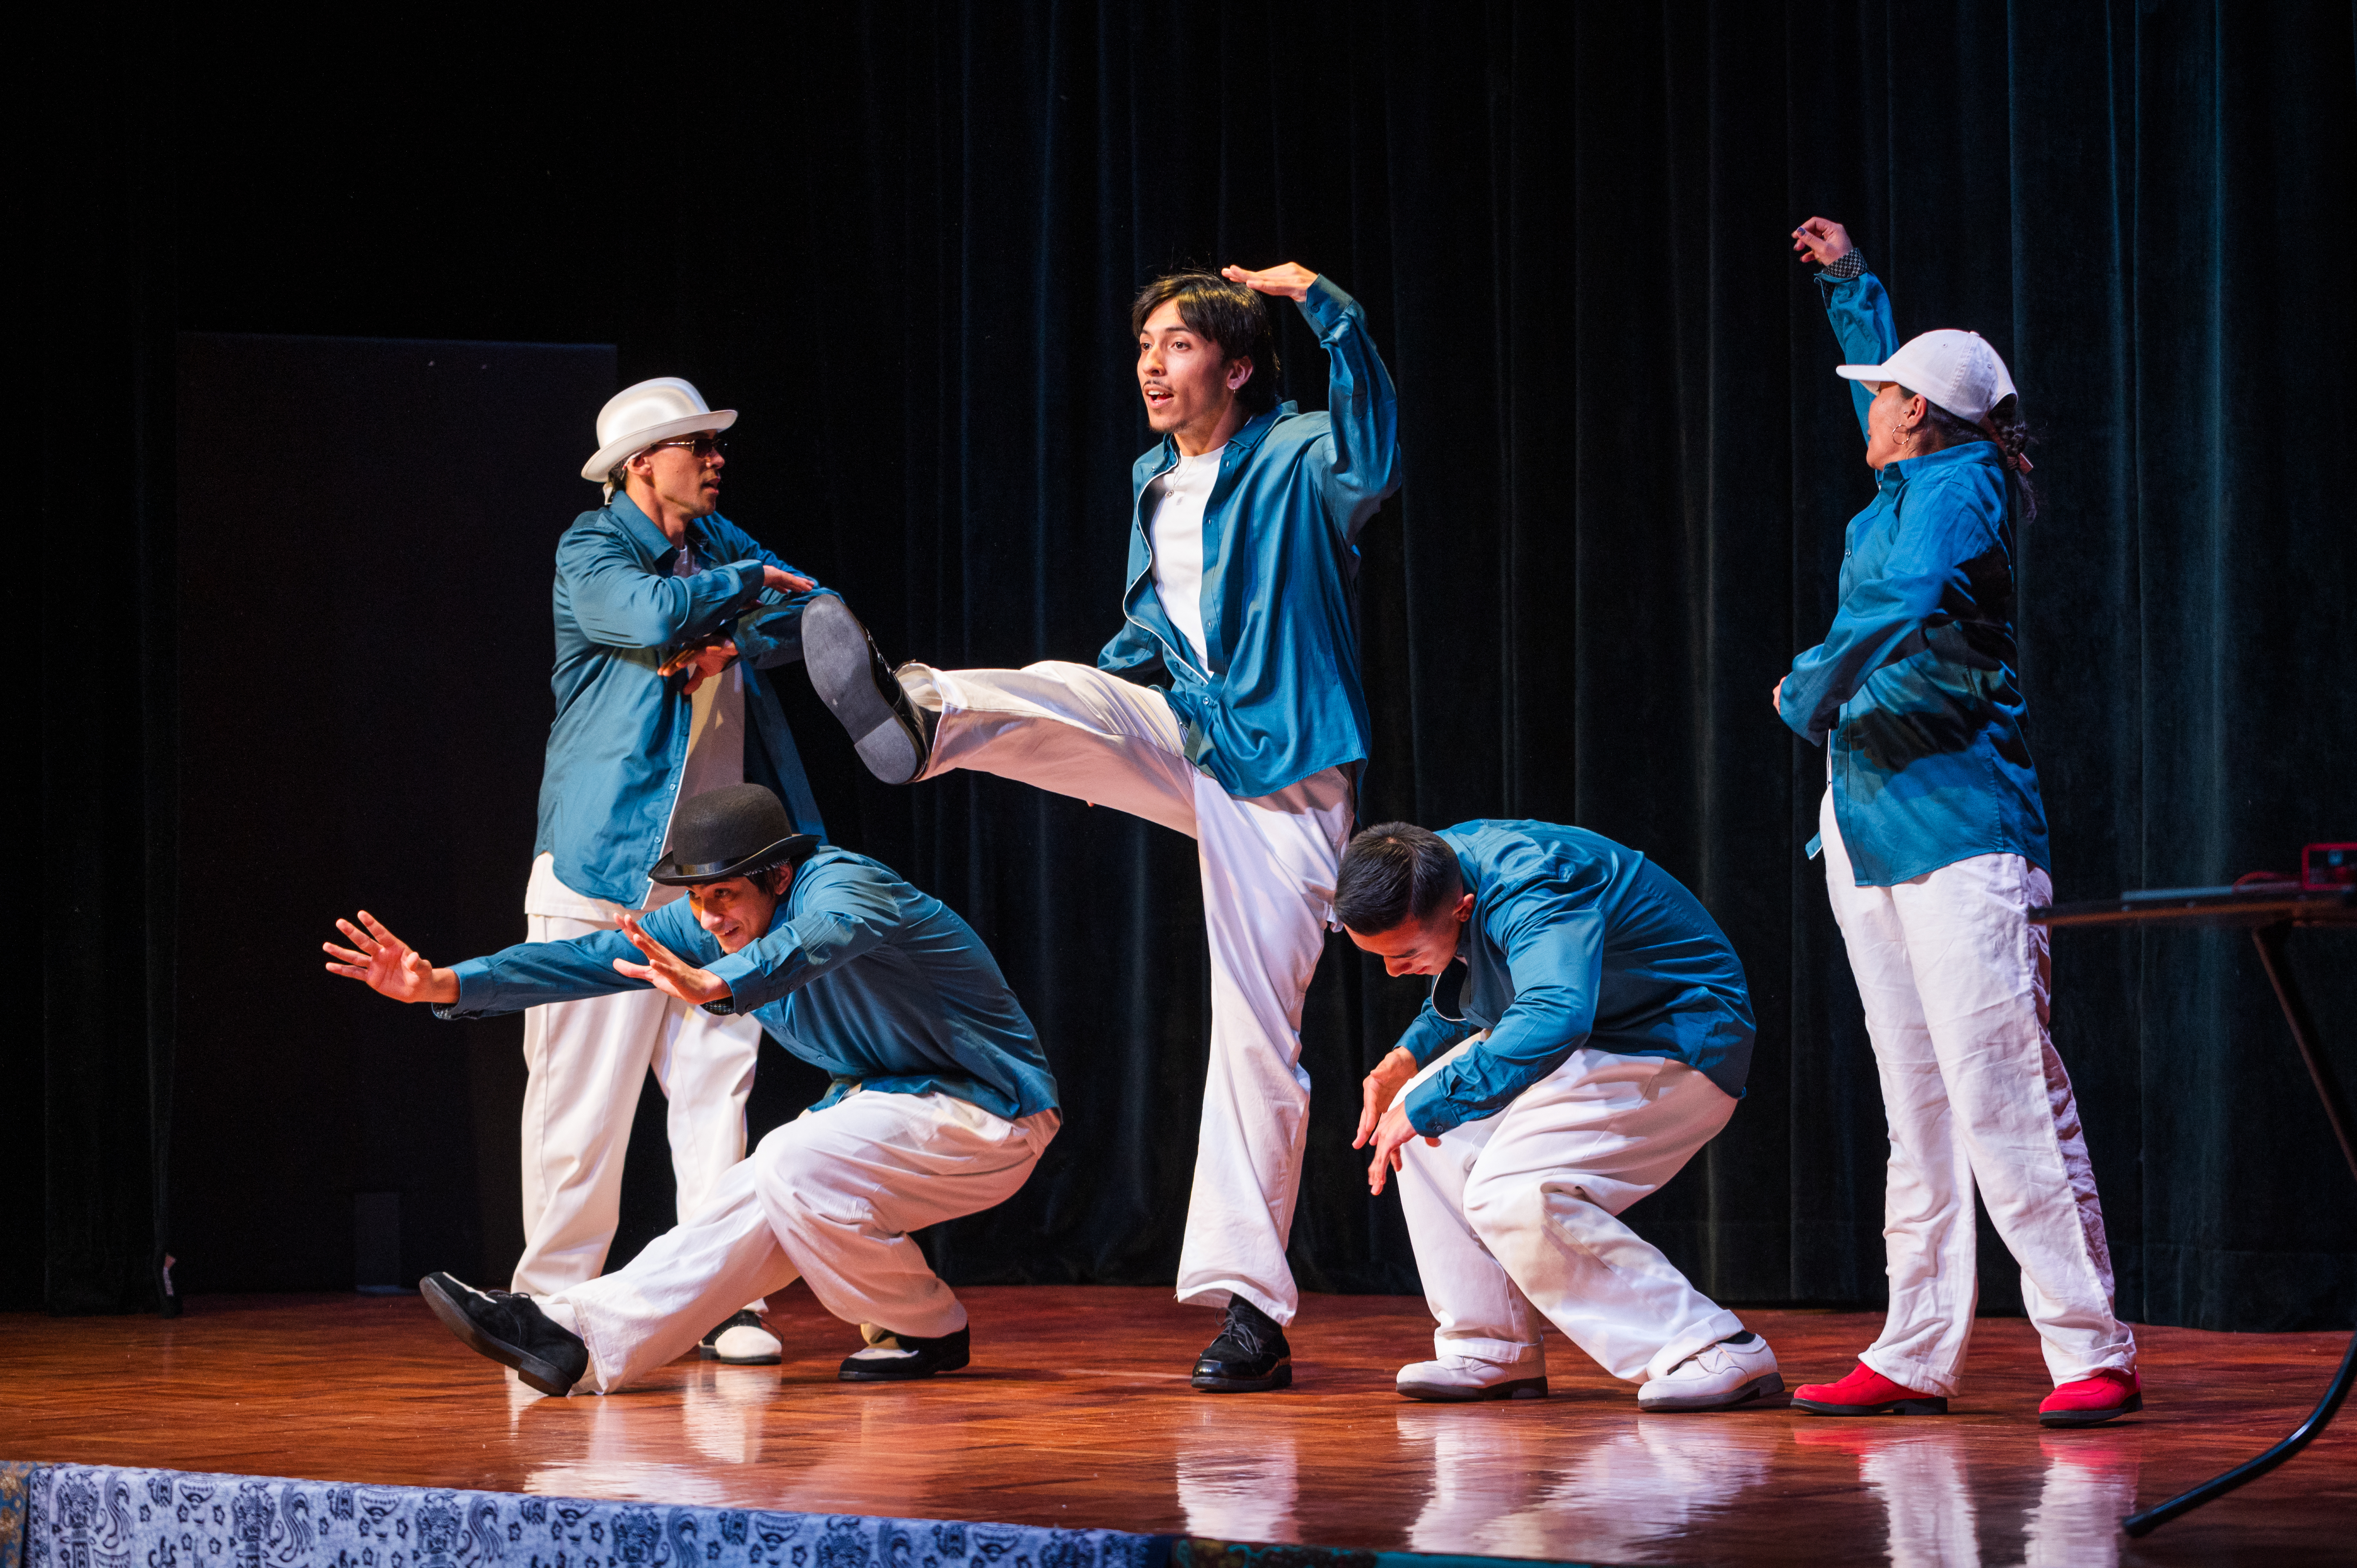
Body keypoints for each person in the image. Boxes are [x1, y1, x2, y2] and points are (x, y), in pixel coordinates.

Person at [799, 262, 1399, 1391]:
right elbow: (1148, 625)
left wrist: (1327, 303)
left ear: (1235, 365)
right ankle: (918, 717)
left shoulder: (1297, 454)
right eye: (1142, 349)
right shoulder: (1151, 480)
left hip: (1289, 775)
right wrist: (1106, 703)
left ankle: (1250, 1309)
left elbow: (1376, 452)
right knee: (1065, 683)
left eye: (1173, 347)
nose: (1149, 367)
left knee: (1254, 1033)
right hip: (1193, 733)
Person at [321, 784, 1059, 1394]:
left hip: (991, 1112)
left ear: (777, 875)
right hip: (883, 1116)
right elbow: (592, 958)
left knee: (789, 1161)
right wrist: (446, 983)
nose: (711, 920)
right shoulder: (715, 923)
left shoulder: (844, 883)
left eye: (726, 896)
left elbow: (827, 934)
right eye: (700, 900)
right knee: (753, 1204)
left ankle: (924, 1321)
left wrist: (720, 983)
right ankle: (575, 1336)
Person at [1777, 217, 2138, 1427]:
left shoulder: (1960, 487)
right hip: (1870, 823)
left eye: (1879, 399)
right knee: (1916, 1098)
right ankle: (1913, 1343)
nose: (1866, 413)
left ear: (1918, 416)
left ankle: (2090, 1345)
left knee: (2000, 1090)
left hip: (1959, 828)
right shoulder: (1909, 476)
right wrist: (1849, 290)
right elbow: (1896, 398)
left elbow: (1912, 591)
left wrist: (1814, 679)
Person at [516, 377, 830, 1366]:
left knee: (715, 1088)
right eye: (696, 443)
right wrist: (739, 598)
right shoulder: (590, 546)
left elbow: (812, 606)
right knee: (582, 1108)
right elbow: (647, 615)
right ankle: (554, 1302)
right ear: (641, 462)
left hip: (714, 879)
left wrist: (734, 632)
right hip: (605, 866)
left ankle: (714, 1296)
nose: (715, 458)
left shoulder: (719, 545)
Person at [1340, 820, 1778, 1411]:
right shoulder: (1432, 866)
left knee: (1513, 1188)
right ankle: (1491, 1346)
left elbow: (1555, 1013)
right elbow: (1481, 973)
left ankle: (1715, 1348)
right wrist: (1407, 1056)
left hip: (1675, 1036)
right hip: (1599, 1032)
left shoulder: (1535, 885)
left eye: (1406, 955)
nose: (1393, 973)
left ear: (1464, 908)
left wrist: (1428, 1099)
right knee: (1418, 1128)